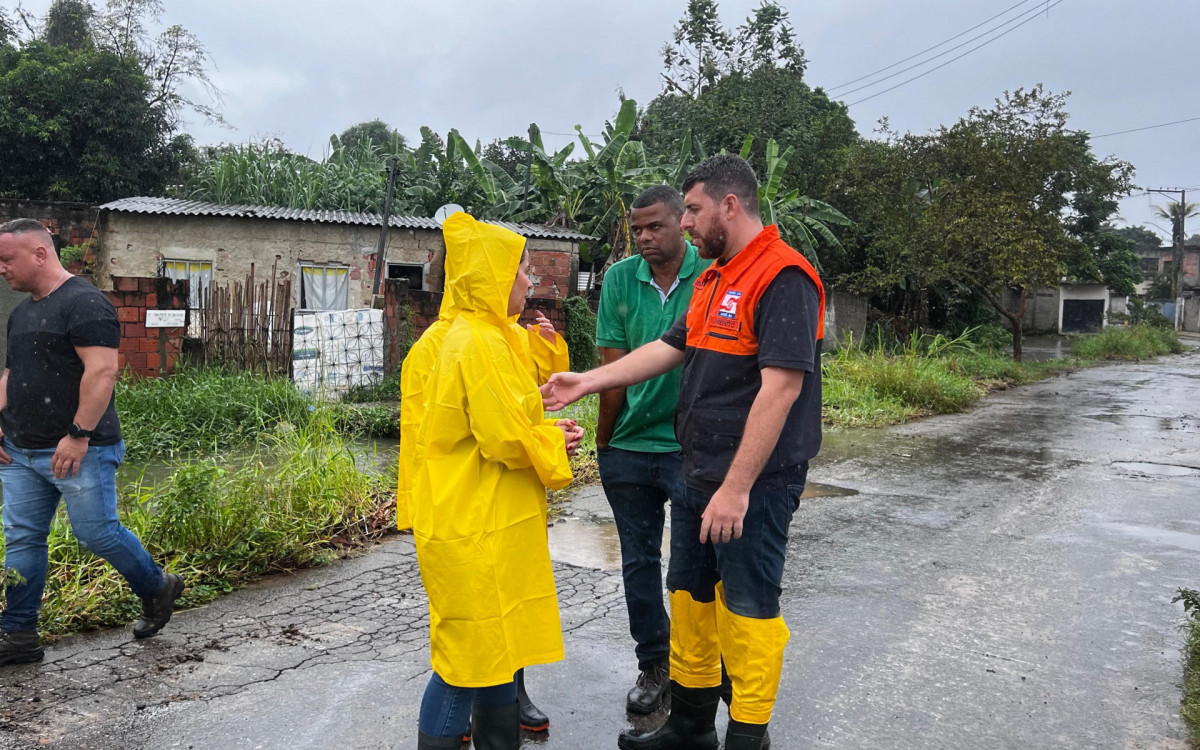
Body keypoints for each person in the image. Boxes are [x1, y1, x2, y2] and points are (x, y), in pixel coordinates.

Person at [542, 155, 824, 750]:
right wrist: (587, 382)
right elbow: (669, 347)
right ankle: (690, 727)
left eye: (692, 209)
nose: (687, 223)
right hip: (699, 474)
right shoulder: (718, 276)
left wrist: (738, 487)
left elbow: (782, 389)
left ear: (729, 205)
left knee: (747, 610)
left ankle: (748, 735)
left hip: (753, 486)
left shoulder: (783, 276)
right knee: (691, 601)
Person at [407, 212, 582, 749]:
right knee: (468, 663)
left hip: (484, 519)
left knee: (497, 650)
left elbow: (511, 414)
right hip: (473, 524)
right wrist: (554, 441)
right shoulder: (476, 343)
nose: (530, 281)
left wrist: (546, 431)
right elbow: (504, 436)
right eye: (520, 270)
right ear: (490, 278)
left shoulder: (487, 336)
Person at [0, 218, 185, 666]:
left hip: (80, 447)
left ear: (39, 253)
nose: (1, 269)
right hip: (20, 451)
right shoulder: (21, 313)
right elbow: (11, 374)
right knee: (22, 539)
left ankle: (158, 586)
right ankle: (18, 633)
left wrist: (78, 435)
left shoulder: (85, 304)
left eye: (7, 259)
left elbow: (102, 372)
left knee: (96, 533)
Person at [594, 185, 708, 714]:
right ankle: (654, 665)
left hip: (689, 449)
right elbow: (613, 374)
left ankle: (694, 672)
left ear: (680, 222)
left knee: (689, 568)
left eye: (654, 226)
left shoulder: (709, 275)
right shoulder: (619, 280)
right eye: (636, 229)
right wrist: (604, 443)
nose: (643, 237)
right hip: (630, 447)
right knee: (638, 563)